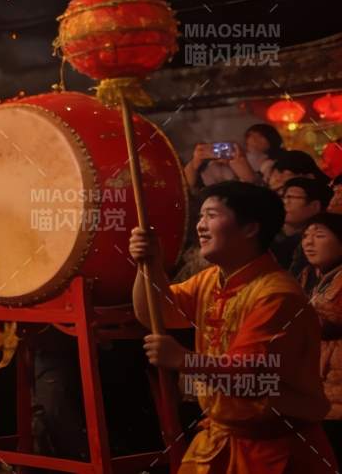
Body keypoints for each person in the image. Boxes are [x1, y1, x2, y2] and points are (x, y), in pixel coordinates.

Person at [130, 180, 337, 472]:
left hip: (272, 450)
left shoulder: (276, 294)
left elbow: (250, 377)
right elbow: (156, 312)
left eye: (212, 215)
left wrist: (183, 360)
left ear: (250, 228)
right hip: (219, 440)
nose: (200, 225)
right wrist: (148, 264)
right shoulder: (210, 279)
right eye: (200, 216)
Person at [297, 212, 342, 458]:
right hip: (316, 393)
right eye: (305, 236)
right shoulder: (307, 278)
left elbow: (330, 321)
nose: (309, 242)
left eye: (319, 235)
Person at [275, 177, 331, 273]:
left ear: (315, 206)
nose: (285, 202)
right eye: (283, 197)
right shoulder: (271, 235)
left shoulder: (317, 245)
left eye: (291, 197)